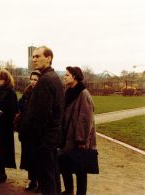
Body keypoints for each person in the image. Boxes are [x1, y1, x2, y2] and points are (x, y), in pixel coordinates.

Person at [19, 46, 64, 195]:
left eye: (38, 56)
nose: (34, 59)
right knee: (53, 175)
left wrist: (33, 135)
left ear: (49, 58)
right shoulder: (54, 77)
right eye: (33, 57)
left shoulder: (45, 80)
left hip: (44, 138)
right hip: (52, 136)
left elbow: (41, 114)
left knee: (47, 178)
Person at [60, 66, 97, 195]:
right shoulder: (68, 91)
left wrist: (81, 140)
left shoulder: (83, 94)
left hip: (78, 138)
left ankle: (81, 193)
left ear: (74, 76)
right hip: (67, 135)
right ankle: (69, 191)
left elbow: (85, 119)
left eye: (67, 75)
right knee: (65, 165)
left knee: (81, 168)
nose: (64, 77)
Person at [0, 69, 18, 183]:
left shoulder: (10, 93)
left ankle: (1, 173)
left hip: (5, 126)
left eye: (1, 79)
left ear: (6, 80)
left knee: (3, 150)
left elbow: (13, 111)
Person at [17, 70, 41, 192]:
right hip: (26, 130)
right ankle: (32, 180)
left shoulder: (41, 93)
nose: (32, 82)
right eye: (31, 79)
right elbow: (19, 104)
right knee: (28, 158)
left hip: (36, 132)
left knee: (37, 158)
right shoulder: (27, 91)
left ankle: (40, 182)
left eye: (35, 79)